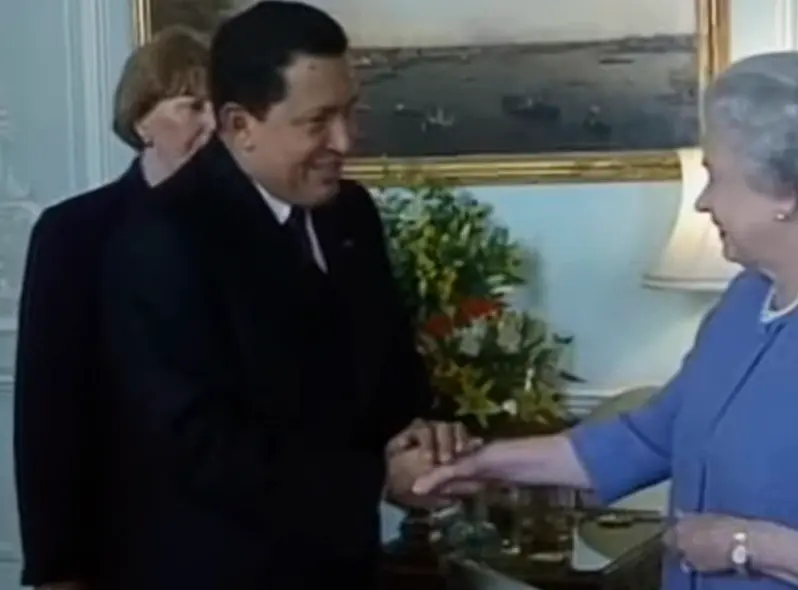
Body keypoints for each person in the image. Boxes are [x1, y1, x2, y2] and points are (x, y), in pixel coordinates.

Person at [413, 51, 798, 590]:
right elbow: (647, 437)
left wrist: (750, 544)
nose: (703, 202)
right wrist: (486, 462)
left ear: (786, 188)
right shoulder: (747, 298)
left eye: (716, 176)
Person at [96, 3, 470, 589]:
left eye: (350, 112)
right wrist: (377, 478)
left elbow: (388, 366)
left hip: (346, 566)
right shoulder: (161, 238)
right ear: (240, 125)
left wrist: (422, 430)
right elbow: (199, 446)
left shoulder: (351, 213)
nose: (346, 141)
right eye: (318, 121)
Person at [14, 26, 214, 590]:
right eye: (192, 105)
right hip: (119, 546)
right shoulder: (74, 233)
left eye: (220, 108)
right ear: (142, 119)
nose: (212, 125)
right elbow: (46, 415)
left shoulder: (250, 231)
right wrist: (55, 569)